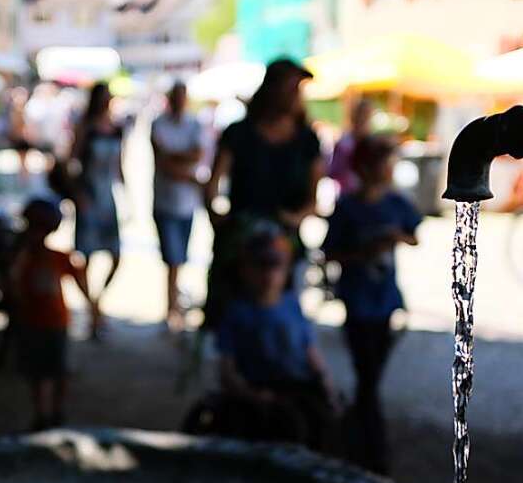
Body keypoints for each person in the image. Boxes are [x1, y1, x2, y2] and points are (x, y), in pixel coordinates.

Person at [322, 135, 421, 474]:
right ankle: (372, 451)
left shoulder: (396, 203)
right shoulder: (348, 207)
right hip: (357, 299)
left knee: (370, 379)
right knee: (367, 378)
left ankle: (355, 438)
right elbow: (329, 252)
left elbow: (414, 234)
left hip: (386, 302)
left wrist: (396, 238)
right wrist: (364, 253)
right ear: (366, 167)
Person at [203, 58, 325, 326]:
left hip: (284, 238)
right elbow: (212, 184)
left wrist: (293, 219)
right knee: (232, 316)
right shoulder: (238, 133)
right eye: (290, 88)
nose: (295, 95)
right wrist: (219, 220)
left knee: (282, 317)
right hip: (241, 238)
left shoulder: (306, 139)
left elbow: (313, 199)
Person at [211, 227, 338, 449]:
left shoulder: (292, 305)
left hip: (298, 388)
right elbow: (227, 369)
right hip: (258, 393)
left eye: (275, 267)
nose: (268, 275)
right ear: (244, 270)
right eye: (260, 267)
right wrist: (252, 395)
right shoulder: (236, 313)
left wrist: (325, 381)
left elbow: (309, 350)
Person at [10, 199, 97, 432]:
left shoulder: (56, 257)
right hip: (34, 322)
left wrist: (93, 307)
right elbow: (14, 284)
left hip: (54, 322)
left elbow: (79, 279)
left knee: (56, 371)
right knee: (39, 373)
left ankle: (55, 412)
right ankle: (43, 414)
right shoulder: (25, 257)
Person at [68, 82, 125, 329]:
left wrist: (127, 194)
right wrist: (77, 193)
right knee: (86, 255)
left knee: (114, 254)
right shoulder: (86, 128)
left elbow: (119, 166)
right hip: (89, 195)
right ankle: (92, 308)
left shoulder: (115, 128)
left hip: (106, 197)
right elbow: (72, 162)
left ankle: (96, 302)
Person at [151, 81, 205, 332]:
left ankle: (174, 305)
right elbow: (163, 160)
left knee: (179, 257)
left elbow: (196, 154)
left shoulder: (194, 124)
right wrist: (187, 169)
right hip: (165, 201)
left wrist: (175, 158)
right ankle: (172, 308)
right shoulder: (159, 124)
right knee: (173, 258)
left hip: (186, 204)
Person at [327, 99, 375, 197]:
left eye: (366, 116)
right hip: (347, 195)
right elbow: (332, 171)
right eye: (361, 115)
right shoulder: (344, 143)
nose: (363, 120)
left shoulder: (373, 144)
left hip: (368, 197)